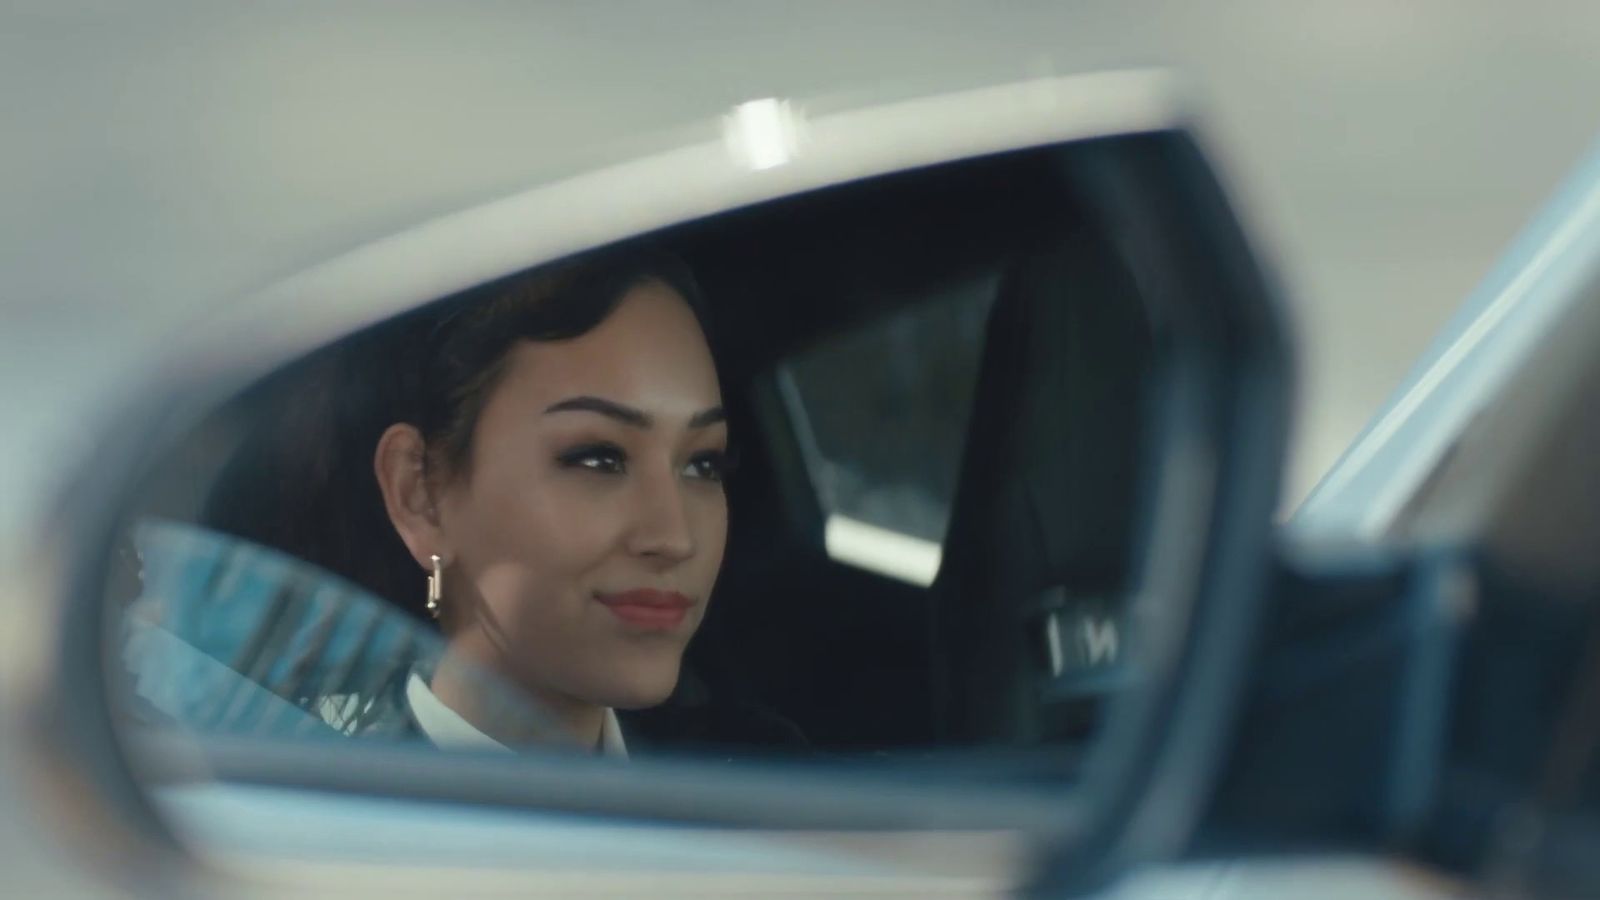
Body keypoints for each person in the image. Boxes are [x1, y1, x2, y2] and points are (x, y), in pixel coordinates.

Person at [200, 245, 731, 757]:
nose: (674, 537)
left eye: (702, 464)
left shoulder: (766, 771)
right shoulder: (322, 817)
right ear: (421, 495)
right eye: (597, 459)